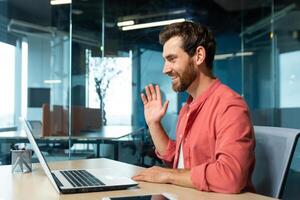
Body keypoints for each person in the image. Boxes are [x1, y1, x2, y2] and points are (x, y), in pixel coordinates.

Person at [132, 21, 255, 194]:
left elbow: (230, 176)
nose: (165, 69)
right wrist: (154, 124)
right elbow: (181, 164)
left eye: (172, 59)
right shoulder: (188, 107)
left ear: (198, 56)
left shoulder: (230, 105)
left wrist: (168, 175)